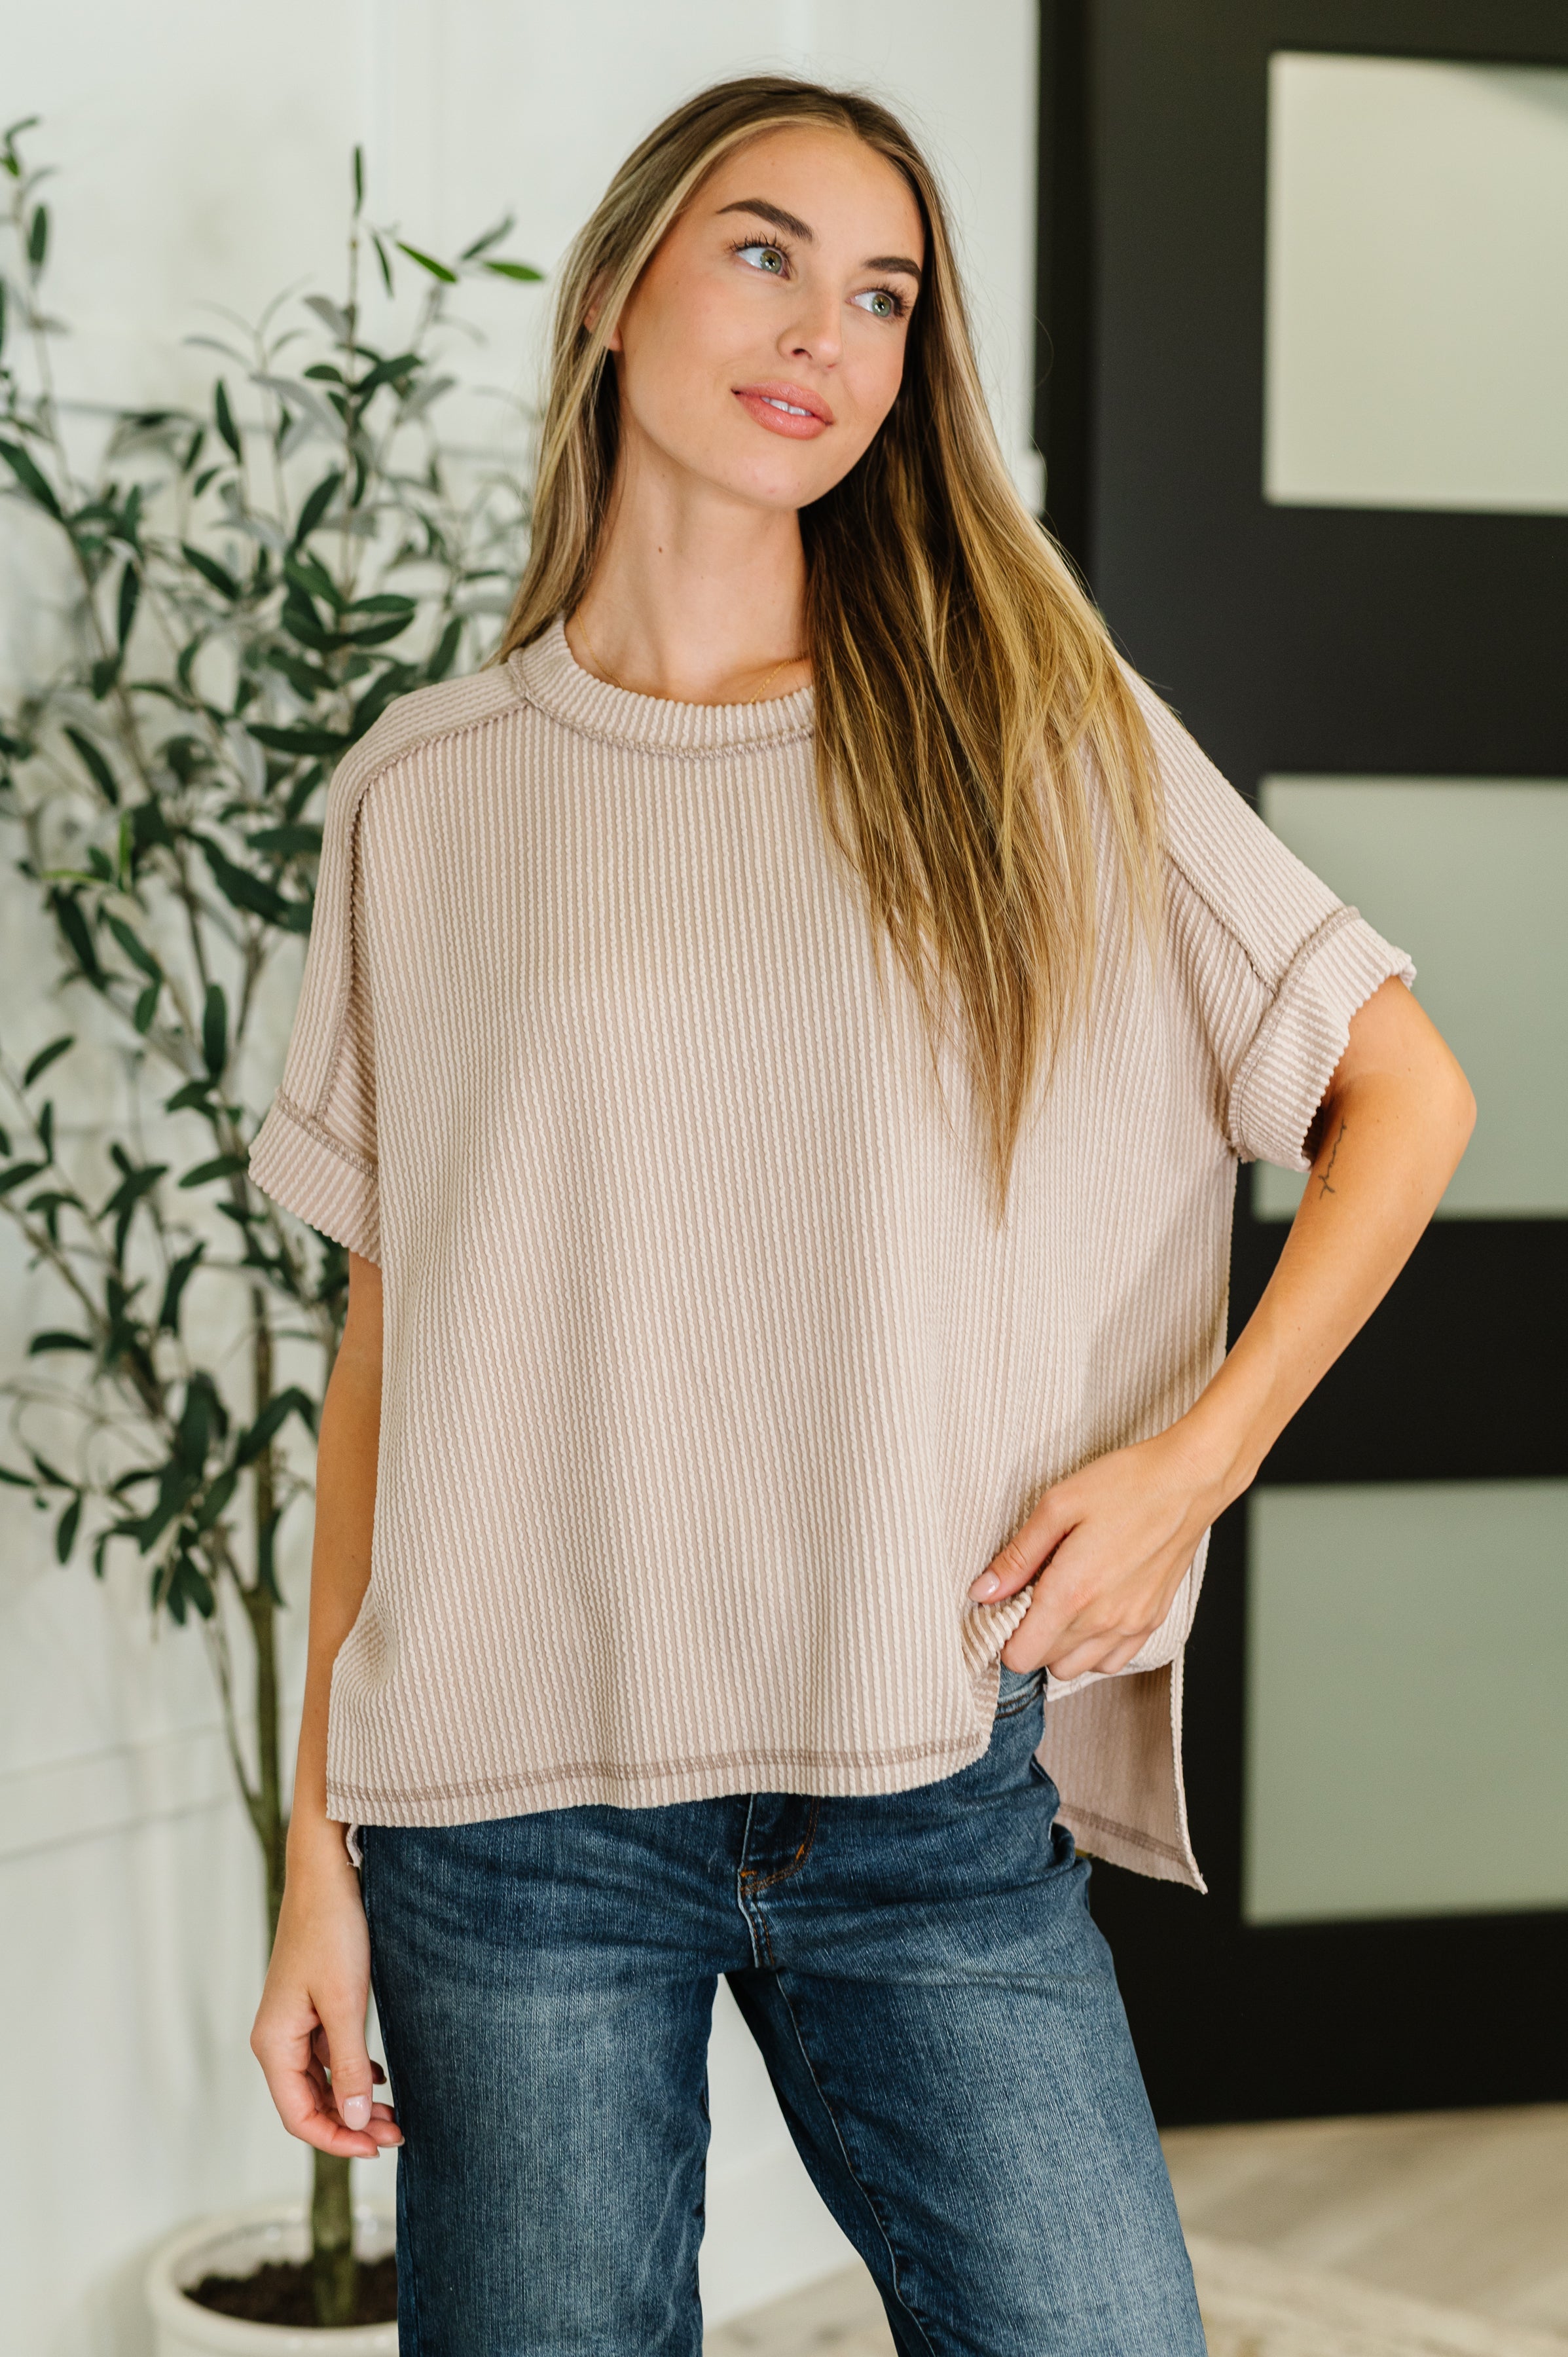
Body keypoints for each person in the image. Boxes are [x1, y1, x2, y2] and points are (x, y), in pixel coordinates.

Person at [247, 74, 1474, 2356]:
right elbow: (390, 1367)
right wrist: (315, 1865)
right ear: (615, 289)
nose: (827, 325)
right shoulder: (425, 797)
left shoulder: (1029, 732)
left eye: (886, 291)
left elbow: (1399, 1093)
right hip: (509, 1830)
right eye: (763, 250)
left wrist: (1189, 1462)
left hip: (921, 1786)